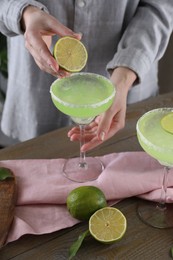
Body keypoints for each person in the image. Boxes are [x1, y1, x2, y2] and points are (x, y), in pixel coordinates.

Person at [0, 1, 173, 152]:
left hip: (126, 88)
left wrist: (124, 78)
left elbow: (160, 5)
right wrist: (25, 13)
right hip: (36, 94)